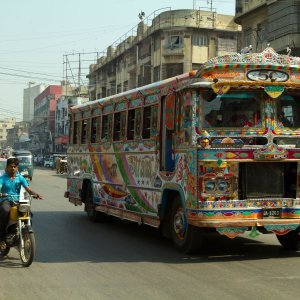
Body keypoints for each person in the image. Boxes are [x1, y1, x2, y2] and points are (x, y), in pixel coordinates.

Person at [0, 157, 43, 250]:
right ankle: (1, 236)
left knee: (28, 213)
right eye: (10, 166)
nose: (13, 168)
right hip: (6, 200)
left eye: (15, 166)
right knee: (5, 210)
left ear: (17, 168)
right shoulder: (2, 178)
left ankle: (26, 232)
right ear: (6, 167)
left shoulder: (20, 178)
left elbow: (28, 189)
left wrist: (35, 194)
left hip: (17, 200)